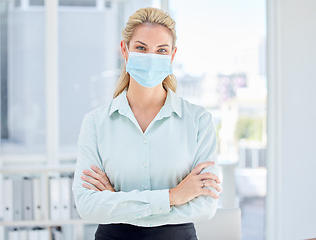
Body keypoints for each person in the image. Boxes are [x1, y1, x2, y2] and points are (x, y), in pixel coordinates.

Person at [72, 7, 222, 240]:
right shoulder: (96, 123)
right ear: (125, 49)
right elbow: (87, 205)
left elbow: (205, 207)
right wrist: (173, 196)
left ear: (172, 56)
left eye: (161, 50)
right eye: (141, 48)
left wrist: (117, 203)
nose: (151, 58)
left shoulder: (198, 121)